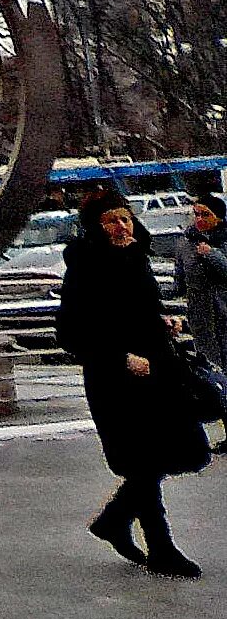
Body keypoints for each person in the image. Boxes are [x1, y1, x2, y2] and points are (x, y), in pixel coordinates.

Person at [58, 191, 210, 577]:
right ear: (96, 226)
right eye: (111, 221)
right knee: (143, 462)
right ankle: (160, 547)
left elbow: (135, 309)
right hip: (116, 381)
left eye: (125, 218)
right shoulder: (86, 265)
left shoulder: (134, 256)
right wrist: (120, 357)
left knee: (175, 452)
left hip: (156, 372)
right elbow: (73, 330)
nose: (121, 226)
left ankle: (114, 520)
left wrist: (162, 320)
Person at [172, 192, 227, 453]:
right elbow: (179, 283)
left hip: (225, 317)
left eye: (206, 214)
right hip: (202, 319)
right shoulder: (185, 244)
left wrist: (212, 254)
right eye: (197, 214)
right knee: (212, 377)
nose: (200, 219)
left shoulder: (223, 241)